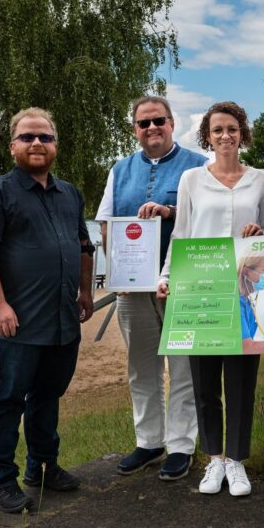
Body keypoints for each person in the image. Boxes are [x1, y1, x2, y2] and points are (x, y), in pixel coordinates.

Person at [157, 101, 264, 497]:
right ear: (207, 136)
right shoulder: (192, 180)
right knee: (204, 381)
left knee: (241, 379)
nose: (225, 136)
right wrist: (166, 277)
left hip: (245, 291)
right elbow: (181, 234)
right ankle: (213, 460)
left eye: (232, 128)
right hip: (201, 285)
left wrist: (261, 234)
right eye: (217, 130)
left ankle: (236, 461)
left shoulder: (261, 180)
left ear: (242, 133)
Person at [0, 107, 96, 514]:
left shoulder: (70, 194)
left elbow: (83, 246)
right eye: (28, 137)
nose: (37, 143)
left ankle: (43, 468)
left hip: (62, 320)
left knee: (48, 396)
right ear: (13, 147)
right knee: (7, 400)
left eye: (45, 137)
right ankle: (0, 480)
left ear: (55, 145)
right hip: (17, 322)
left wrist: (85, 291)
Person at [97, 95, 208, 481]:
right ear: (135, 129)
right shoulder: (120, 169)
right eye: (143, 123)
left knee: (182, 368)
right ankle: (148, 442)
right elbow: (107, 223)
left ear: (172, 122)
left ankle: (180, 446)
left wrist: (170, 212)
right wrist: (116, 275)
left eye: (158, 120)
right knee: (141, 368)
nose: (151, 128)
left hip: (183, 284)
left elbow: (206, 220)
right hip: (133, 290)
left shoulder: (199, 166)